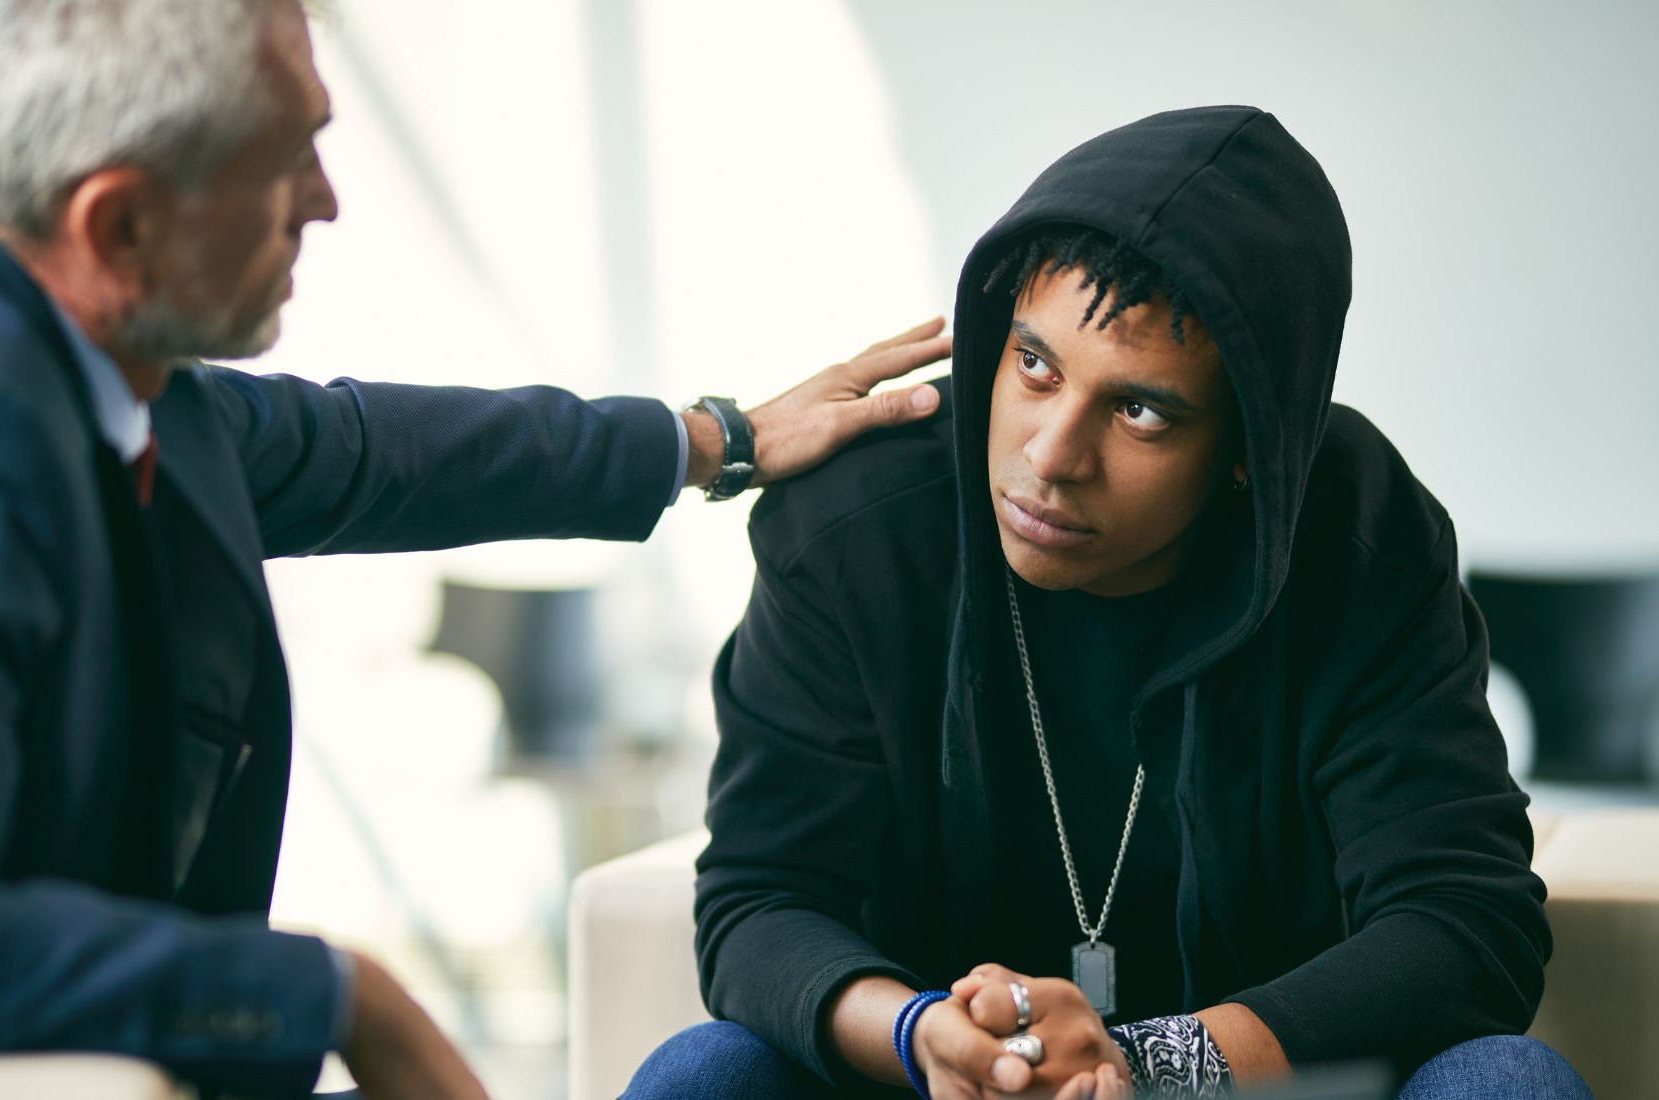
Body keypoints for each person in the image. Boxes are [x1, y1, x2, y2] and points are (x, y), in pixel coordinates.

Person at [0, 1, 948, 1097]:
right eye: (287, 156)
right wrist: (332, 994)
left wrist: (720, 439)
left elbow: (373, 451)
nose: (324, 200)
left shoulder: (43, 339)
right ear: (120, 221)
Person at [623, 107, 1591, 1099]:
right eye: (1034, 366)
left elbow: (1464, 921)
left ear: (1251, 444)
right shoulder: (853, 529)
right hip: (933, 1085)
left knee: (1510, 1082)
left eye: (1139, 410)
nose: (1051, 456)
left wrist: (1152, 1064)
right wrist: (922, 1036)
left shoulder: (1360, 542)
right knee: (705, 1072)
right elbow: (762, 899)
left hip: (1249, 1090)